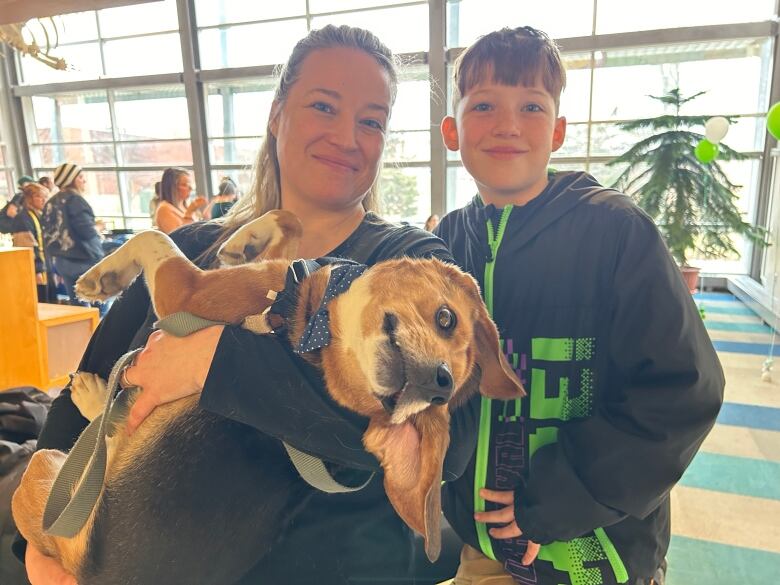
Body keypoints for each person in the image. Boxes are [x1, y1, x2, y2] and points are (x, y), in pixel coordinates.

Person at [18, 25, 475, 585]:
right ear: (277, 113)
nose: (348, 136)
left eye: (371, 120)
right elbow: (83, 388)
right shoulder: (191, 250)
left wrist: (214, 363)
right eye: (324, 106)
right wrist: (36, 553)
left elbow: (450, 442)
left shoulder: (405, 262)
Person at [433, 26, 724, 585]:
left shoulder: (616, 232)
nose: (508, 124)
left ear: (559, 131)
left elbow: (684, 391)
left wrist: (557, 498)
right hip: (484, 543)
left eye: (532, 106)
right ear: (452, 130)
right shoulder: (446, 243)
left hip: (598, 549)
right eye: (485, 104)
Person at [41, 163, 104, 306]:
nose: (84, 180)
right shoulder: (75, 200)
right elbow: (87, 232)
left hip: (62, 262)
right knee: (100, 306)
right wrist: (98, 227)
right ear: (73, 180)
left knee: (80, 309)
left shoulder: (50, 202)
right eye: (81, 177)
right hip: (85, 260)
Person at [10, 182, 57, 302]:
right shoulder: (23, 219)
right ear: (29, 199)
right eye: (39, 197)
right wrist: (37, 270)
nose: (43, 200)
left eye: (45, 197)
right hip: (36, 272)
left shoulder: (39, 216)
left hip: (47, 268)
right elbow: (27, 249)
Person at [153, 167, 208, 234]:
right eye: (185, 185)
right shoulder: (164, 209)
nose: (191, 188)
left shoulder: (184, 206)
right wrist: (189, 213)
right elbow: (180, 238)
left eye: (190, 184)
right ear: (173, 187)